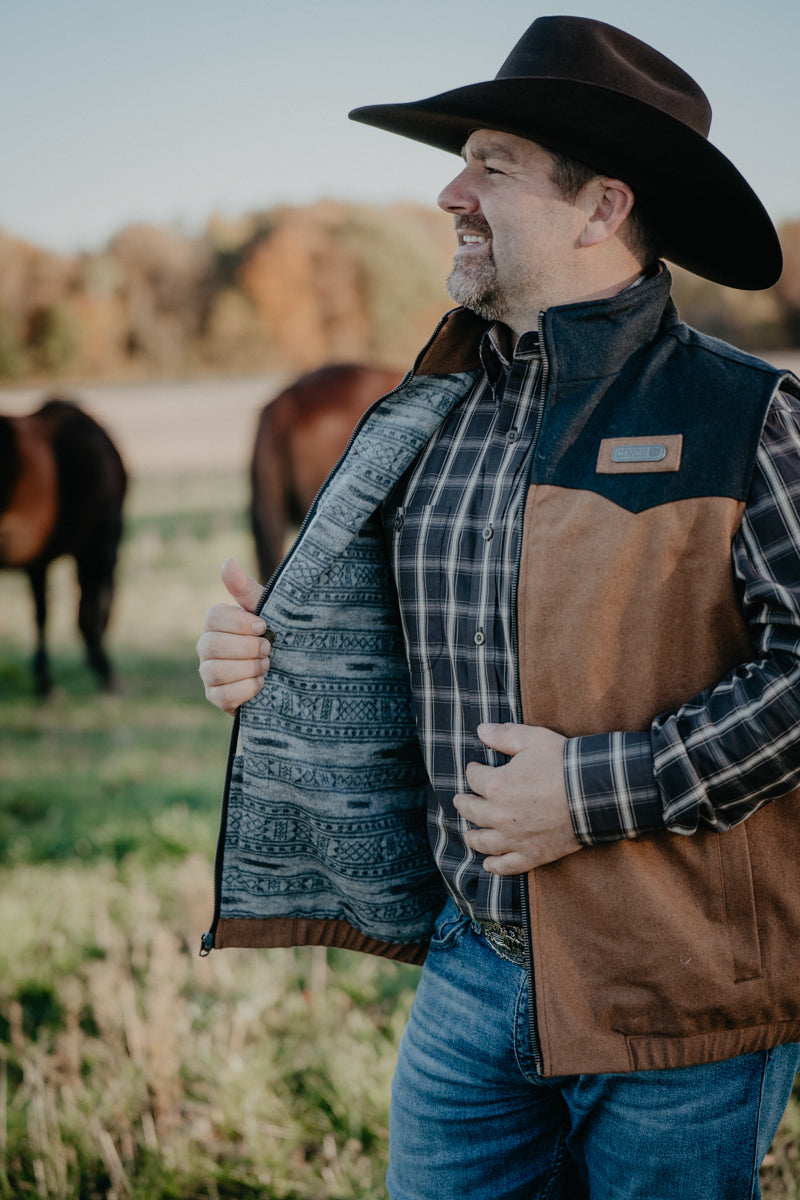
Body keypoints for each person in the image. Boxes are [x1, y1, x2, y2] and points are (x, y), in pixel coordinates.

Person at [197, 16, 800, 1199]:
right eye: (460, 161)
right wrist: (267, 658)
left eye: (491, 165)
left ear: (600, 207)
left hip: (681, 1001)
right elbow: (390, 650)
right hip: (472, 973)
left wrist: (590, 791)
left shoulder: (749, 416)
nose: (447, 192)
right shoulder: (425, 420)